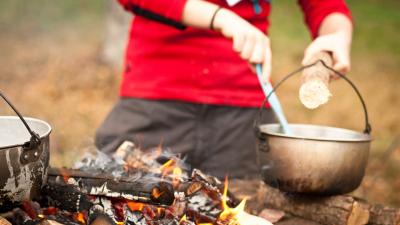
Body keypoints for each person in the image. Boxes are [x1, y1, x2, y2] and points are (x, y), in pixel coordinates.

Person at [95, 0, 353, 179]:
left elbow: (326, 6)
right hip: (156, 96)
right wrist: (222, 18)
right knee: (111, 191)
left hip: (244, 109)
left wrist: (336, 34)